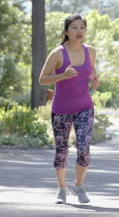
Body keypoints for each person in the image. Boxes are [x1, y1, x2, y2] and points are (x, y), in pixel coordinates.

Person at [39, 14, 99, 205]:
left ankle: (79, 185)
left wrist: (94, 80)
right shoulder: (58, 53)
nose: (79, 31)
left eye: (82, 27)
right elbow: (42, 79)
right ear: (66, 31)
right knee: (62, 149)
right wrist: (63, 75)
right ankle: (61, 188)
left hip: (84, 107)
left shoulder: (90, 51)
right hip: (61, 108)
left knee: (84, 147)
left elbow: (92, 70)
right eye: (74, 27)